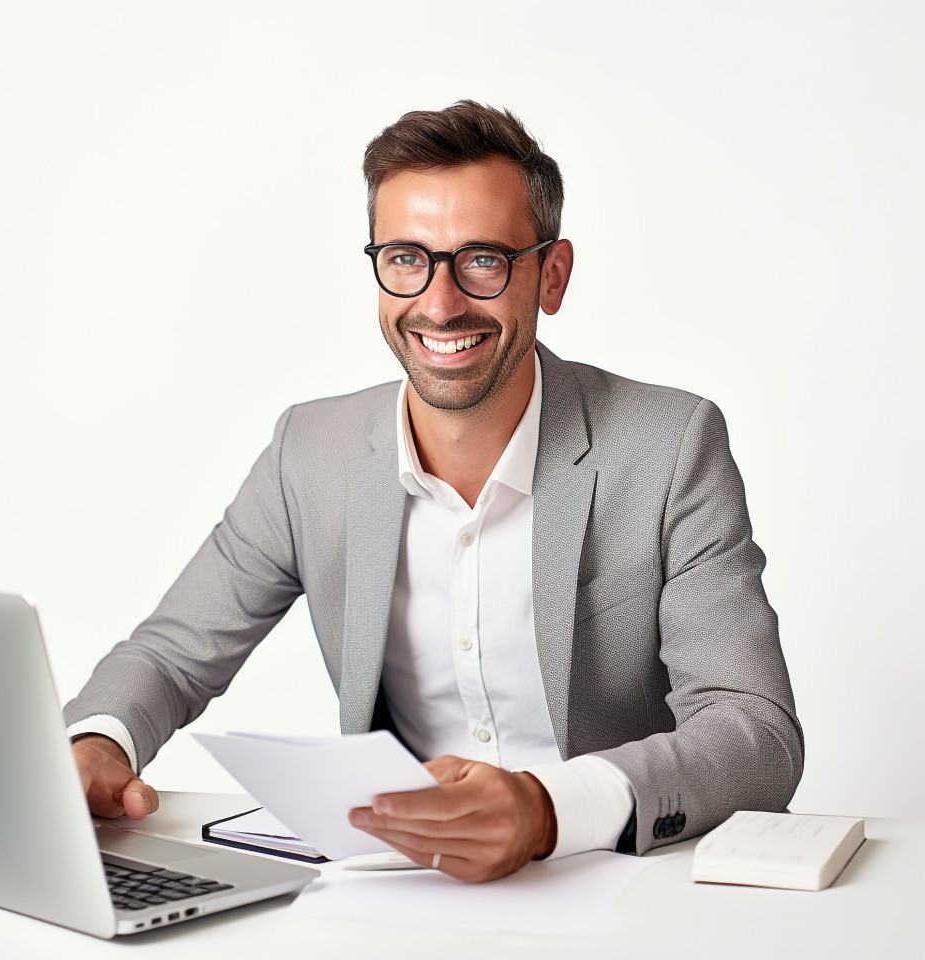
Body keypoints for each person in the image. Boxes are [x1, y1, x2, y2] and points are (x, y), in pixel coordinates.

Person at [65, 100, 803, 883]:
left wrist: (546, 808)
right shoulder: (309, 453)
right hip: (395, 891)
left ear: (550, 276)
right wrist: (96, 745)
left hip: (614, 885)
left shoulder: (670, 446)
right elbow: (173, 655)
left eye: (482, 259)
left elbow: (753, 730)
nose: (440, 302)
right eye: (407, 258)